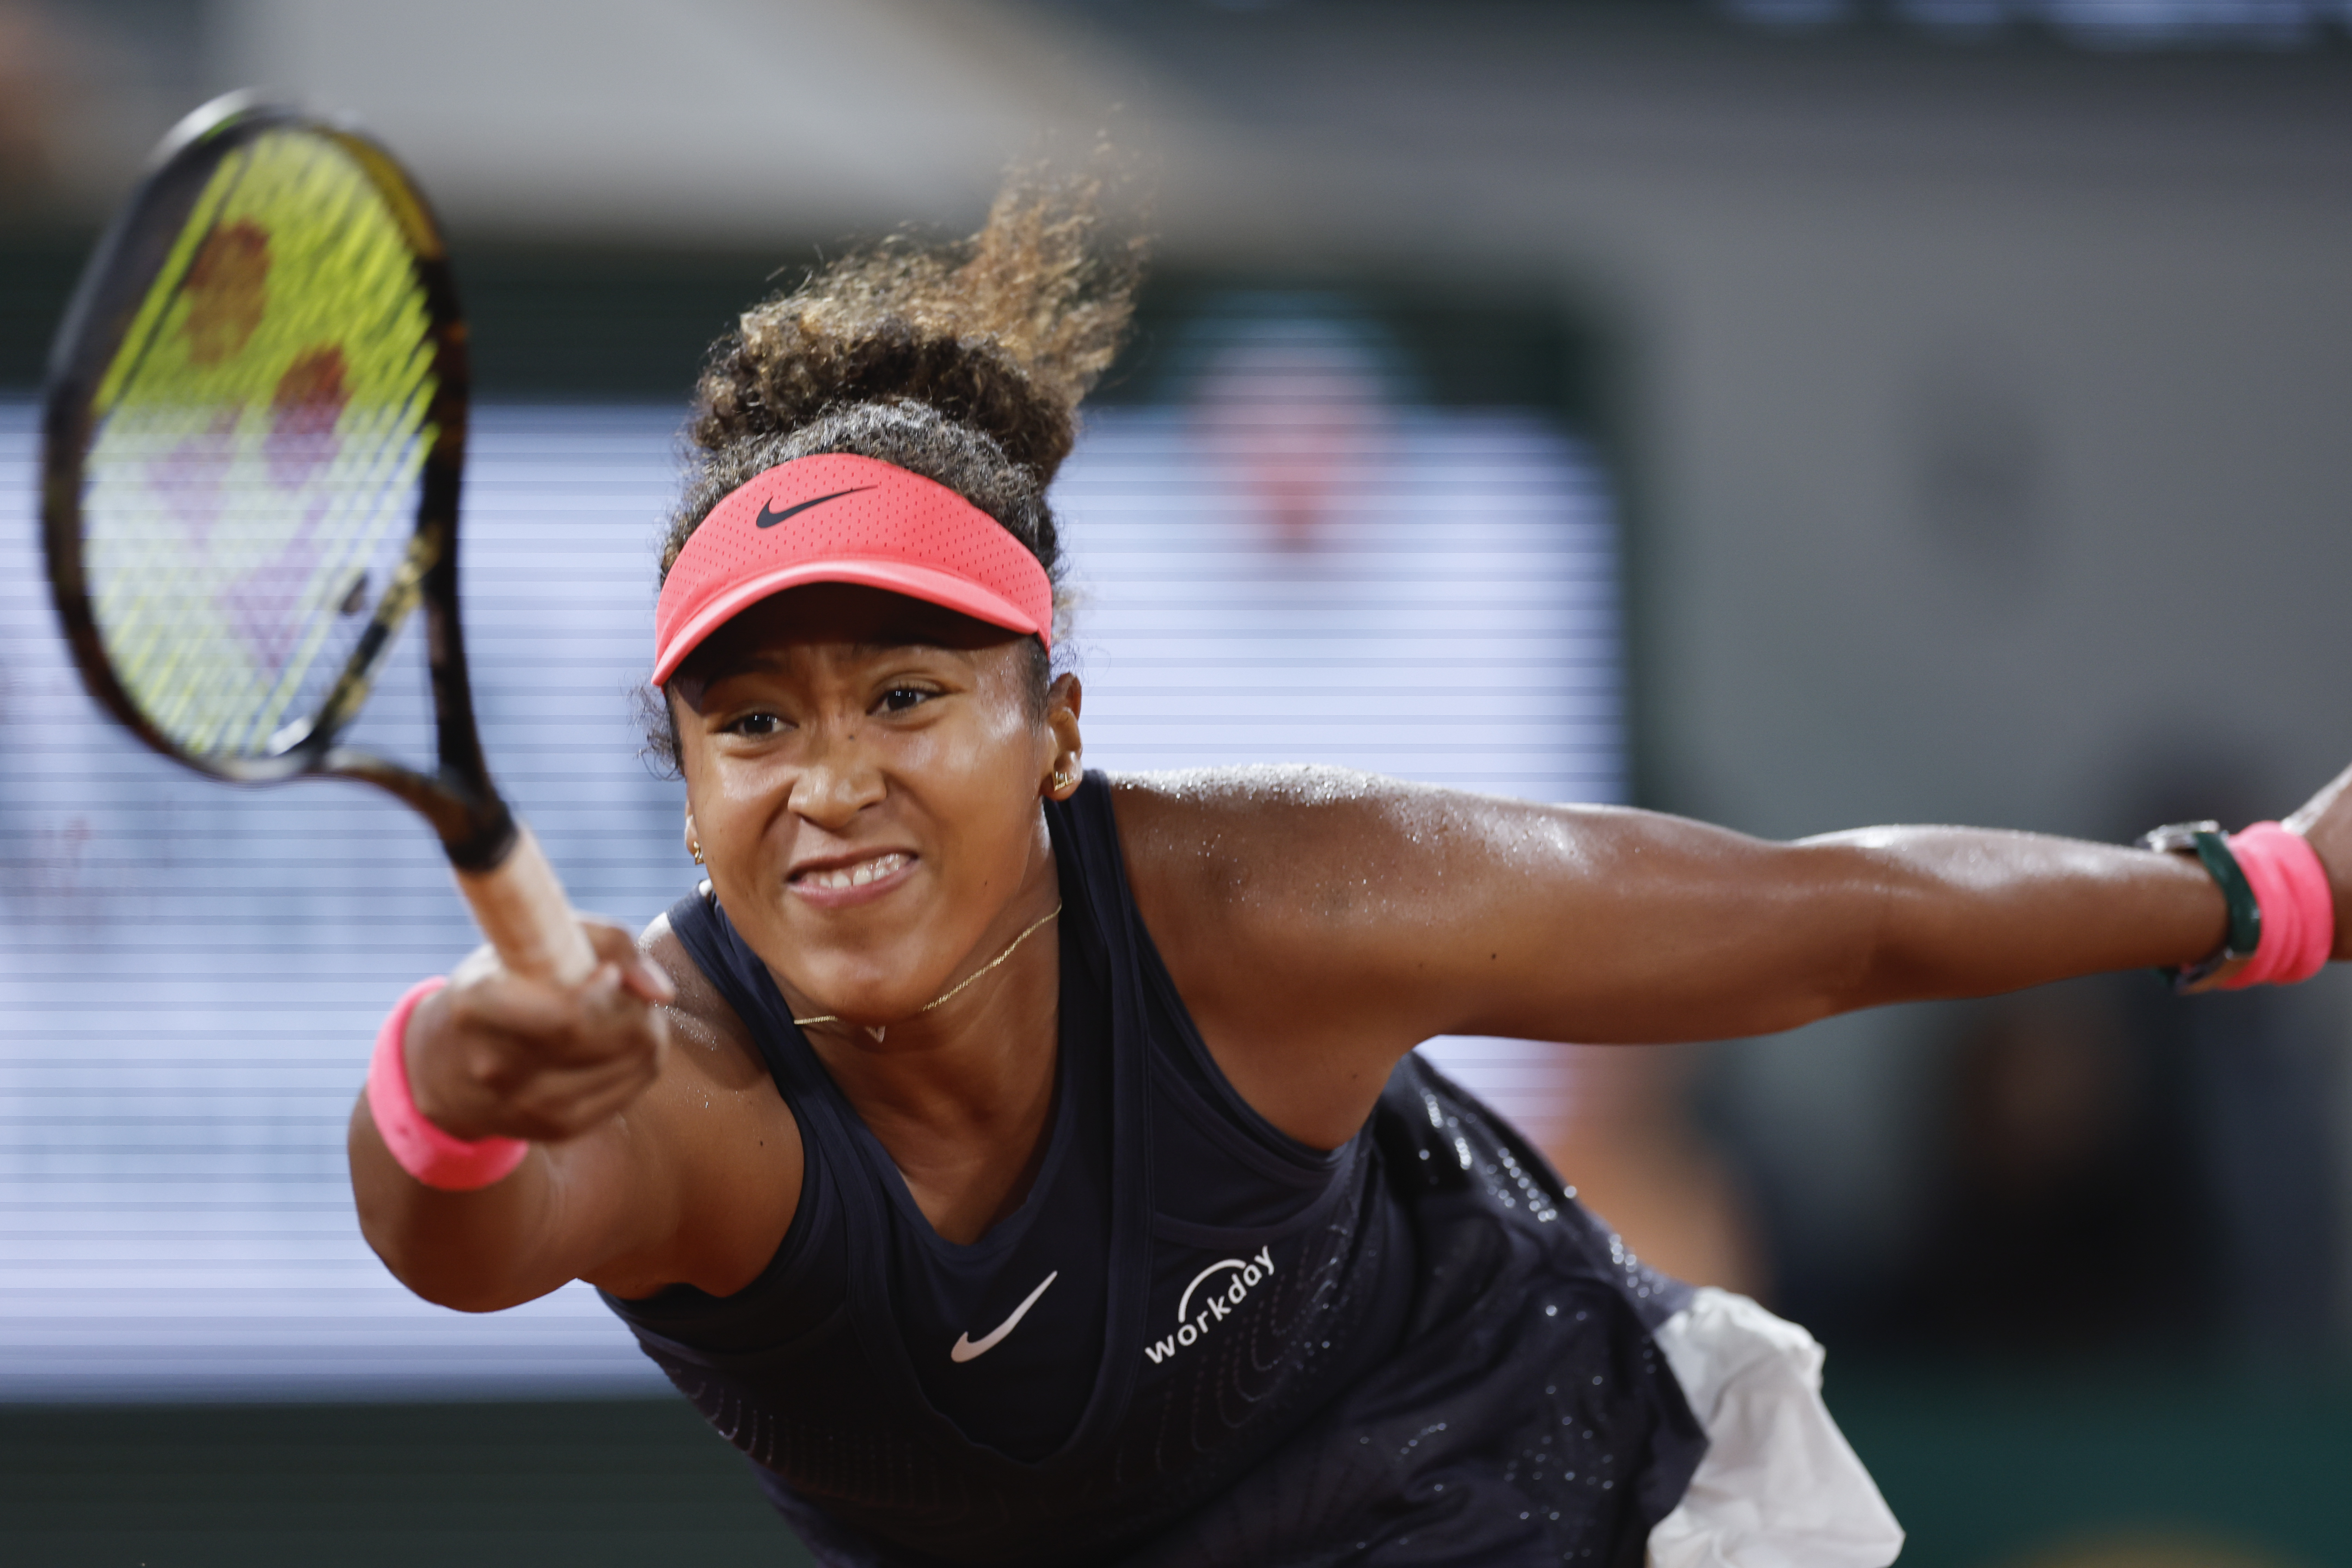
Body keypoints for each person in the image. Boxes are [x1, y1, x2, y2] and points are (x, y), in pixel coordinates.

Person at [347, 176, 2348, 1568]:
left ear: (1052, 733)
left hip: (1517, 1483)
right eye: (755, 725)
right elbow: (470, 1236)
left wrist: (2267, 893)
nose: (831, 780)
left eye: (905, 694)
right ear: (687, 791)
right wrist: (446, 1098)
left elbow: (1818, 921)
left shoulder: (1270, 905)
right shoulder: (685, 1095)